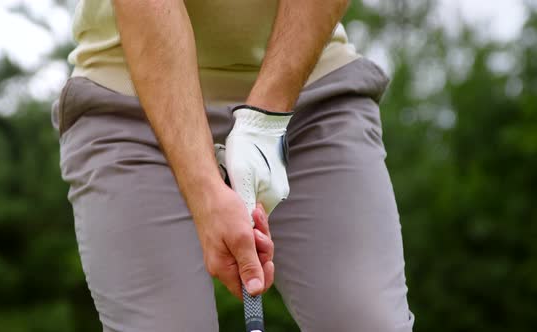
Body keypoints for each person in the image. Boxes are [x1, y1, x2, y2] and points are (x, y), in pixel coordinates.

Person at [51, 0, 415, 331]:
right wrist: (202, 189)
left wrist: (265, 120)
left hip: (311, 90)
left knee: (371, 321)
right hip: (129, 97)